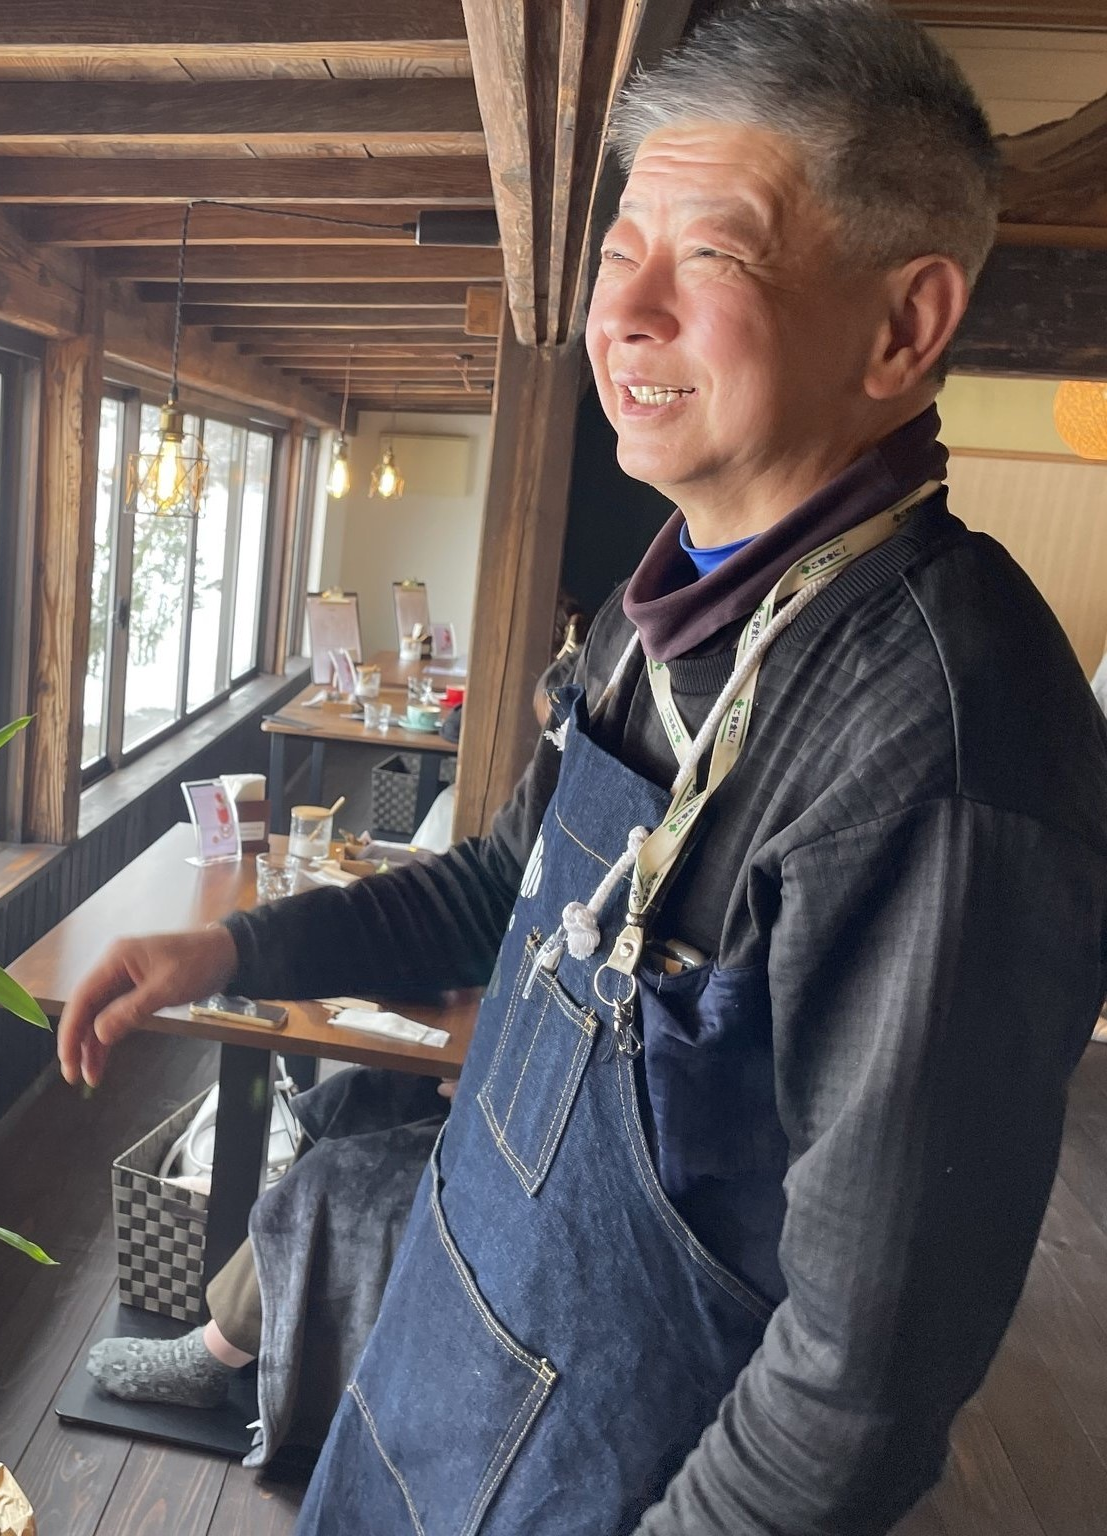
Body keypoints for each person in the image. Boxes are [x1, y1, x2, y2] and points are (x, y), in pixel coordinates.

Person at [57, 3, 1107, 1530]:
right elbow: (506, 887)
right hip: (446, 1379)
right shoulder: (656, 607)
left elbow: (857, 1389)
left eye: (713, 255)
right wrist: (230, 950)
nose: (627, 311)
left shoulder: (946, 737)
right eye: (621, 252)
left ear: (904, 326)